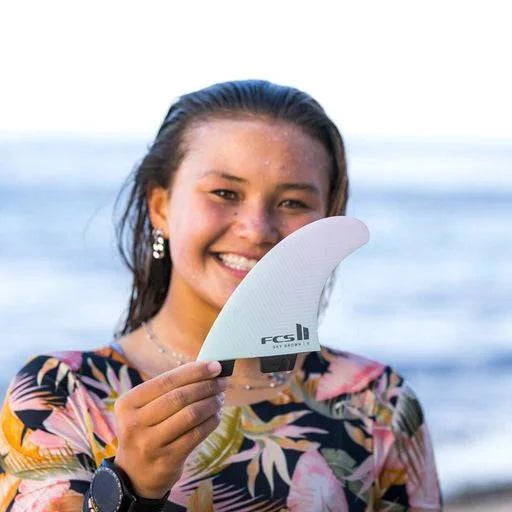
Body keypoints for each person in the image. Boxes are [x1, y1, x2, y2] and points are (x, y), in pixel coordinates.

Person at [0, 80, 442, 511]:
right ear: (161, 207)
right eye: (224, 193)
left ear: (327, 219)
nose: (257, 229)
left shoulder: (378, 403)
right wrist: (130, 488)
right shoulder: (59, 395)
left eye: (293, 203)